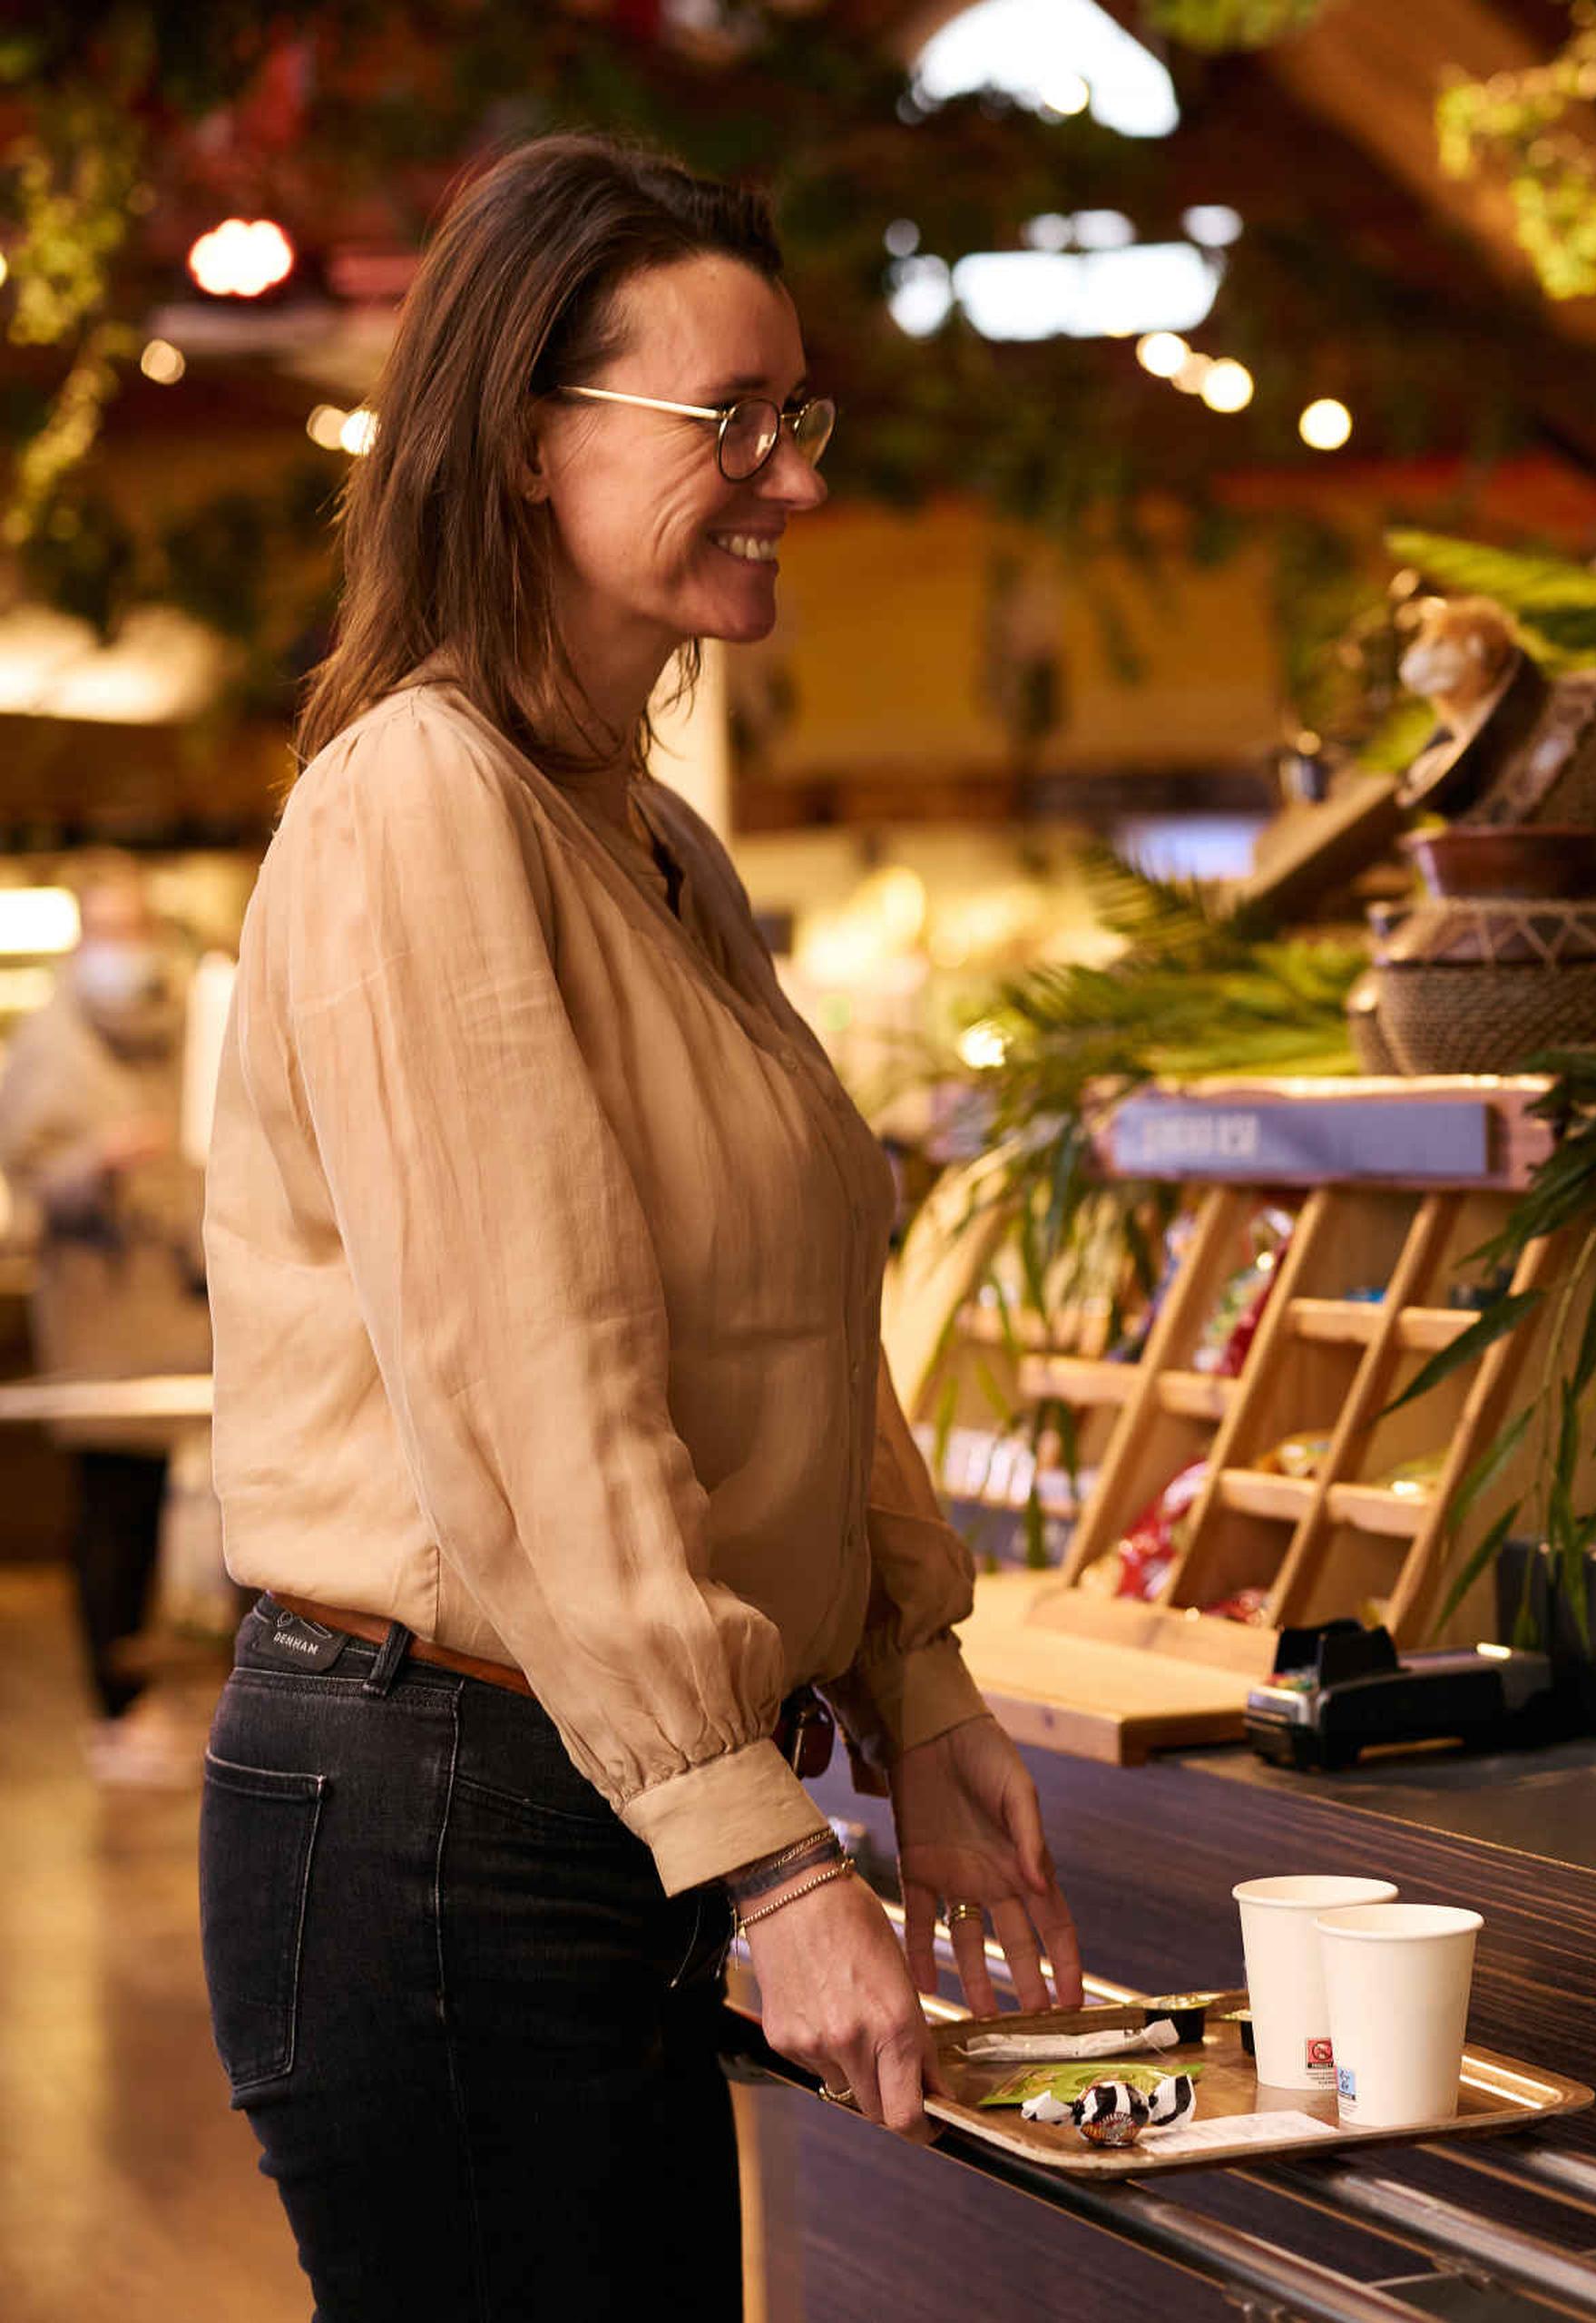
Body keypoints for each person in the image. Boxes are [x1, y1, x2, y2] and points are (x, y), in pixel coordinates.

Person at [200, 136, 1080, 2319]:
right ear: (525, 441)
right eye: (733, 424)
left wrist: (916, 1675)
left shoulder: (654, 838)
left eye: (802, 419)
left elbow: (793, 1305)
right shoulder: (419, 802)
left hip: (585, 1800)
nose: (789, 474)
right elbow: (532, 1381)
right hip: (438, 1808)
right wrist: (768, 1849)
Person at [0, 858, 213, 1778]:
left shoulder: (192, 1031)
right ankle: (115, 1703)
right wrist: (96, 1164)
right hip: (102, 1315)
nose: (125, 949)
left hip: (191, 1306)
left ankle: (189, 1685)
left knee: (191, 1515)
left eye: (136, 927)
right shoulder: (50, 1043)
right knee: (115, 1508)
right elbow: (32, 1171)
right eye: (108, 929)